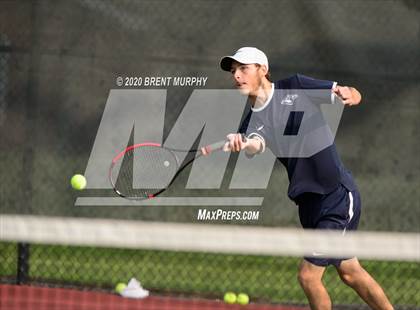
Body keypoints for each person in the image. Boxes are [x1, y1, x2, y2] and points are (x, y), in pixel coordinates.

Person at [214, 47, 393, 310]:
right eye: (233, 71)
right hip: (308, 203)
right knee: (350, 272)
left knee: (308, 276)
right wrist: (242, 142)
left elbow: (353, 93)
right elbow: (256, 145)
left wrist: (349, 94)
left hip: (336, 196)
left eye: (244, 68)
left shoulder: (295, 86)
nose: (237, 76)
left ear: (262, 70)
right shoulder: (250, 121)